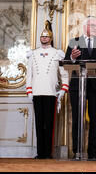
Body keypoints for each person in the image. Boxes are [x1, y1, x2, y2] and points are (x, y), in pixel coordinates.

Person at [64, 16, 96, 160]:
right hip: (77, 85)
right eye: (92, 25)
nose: (95, 28)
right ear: (85, 26)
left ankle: (93, 153)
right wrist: (72, 57)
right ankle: (77, 152)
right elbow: (66, 63)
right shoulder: (74, 42)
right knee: (77, 118)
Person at [26, 21, 69, 159]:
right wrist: (29, 91)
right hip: (37, 92)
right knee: (39, 123)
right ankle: (40, 152)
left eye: (46, 37)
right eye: (42, 37)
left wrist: (63, 89)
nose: (44, 39)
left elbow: (64, 73)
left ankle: (48, 153)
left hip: (51, 92)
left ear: (50, 38)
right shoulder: (33, 54)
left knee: (49, 124)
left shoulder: (57, 53)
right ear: (40, 38)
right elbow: (29, 74)